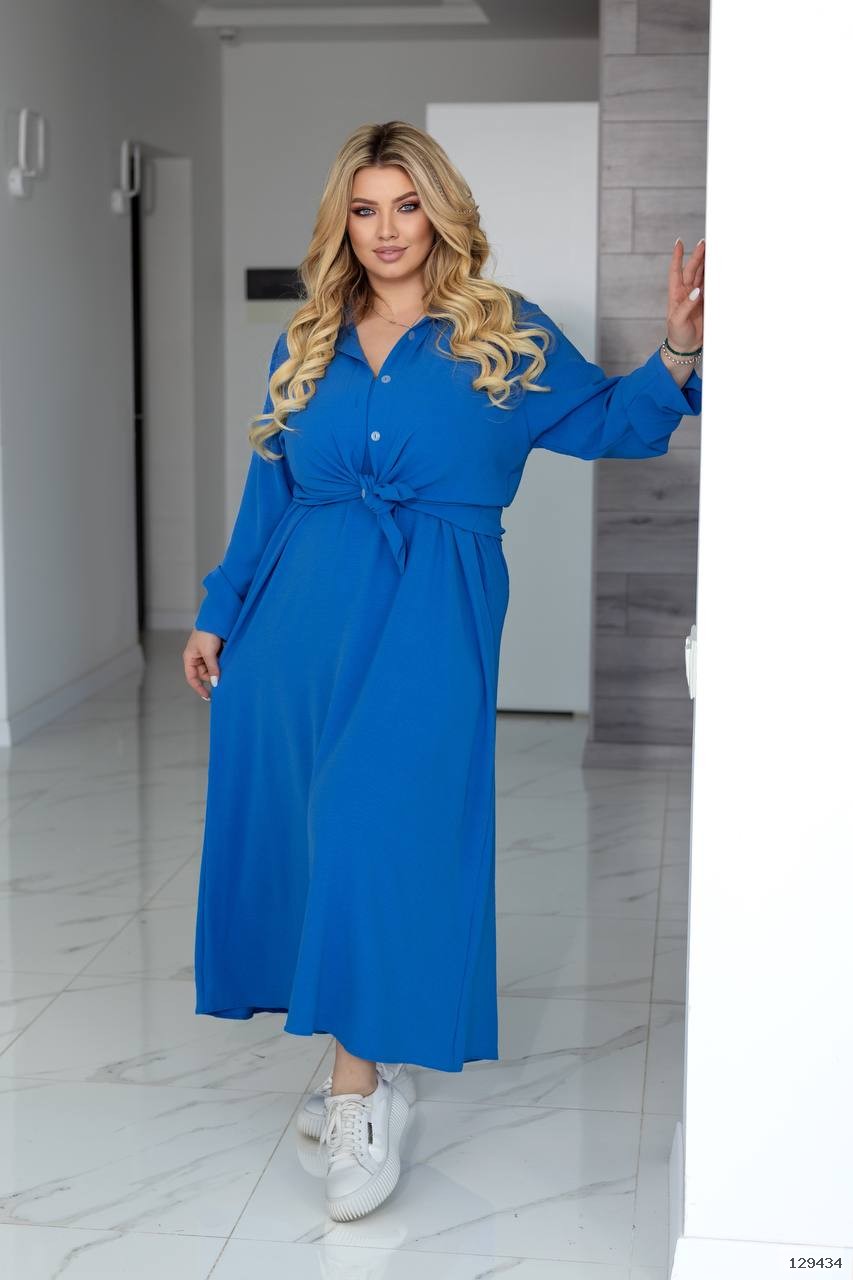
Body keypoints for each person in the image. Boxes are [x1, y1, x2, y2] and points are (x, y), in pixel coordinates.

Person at [181, 120, 704, 1223]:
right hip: (295, 623)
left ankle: (358, 1090)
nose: (386, 231)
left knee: (379, 825)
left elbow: (610, 423)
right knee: (312, 834)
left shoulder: (501, 333)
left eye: (406, 206)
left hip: (432, 614)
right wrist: (221, 611)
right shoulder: (309, 339)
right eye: (365, 209)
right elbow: (271, 491)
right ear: (343, 222)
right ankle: (361, 1061)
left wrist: (675, 355)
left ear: (440, 212)